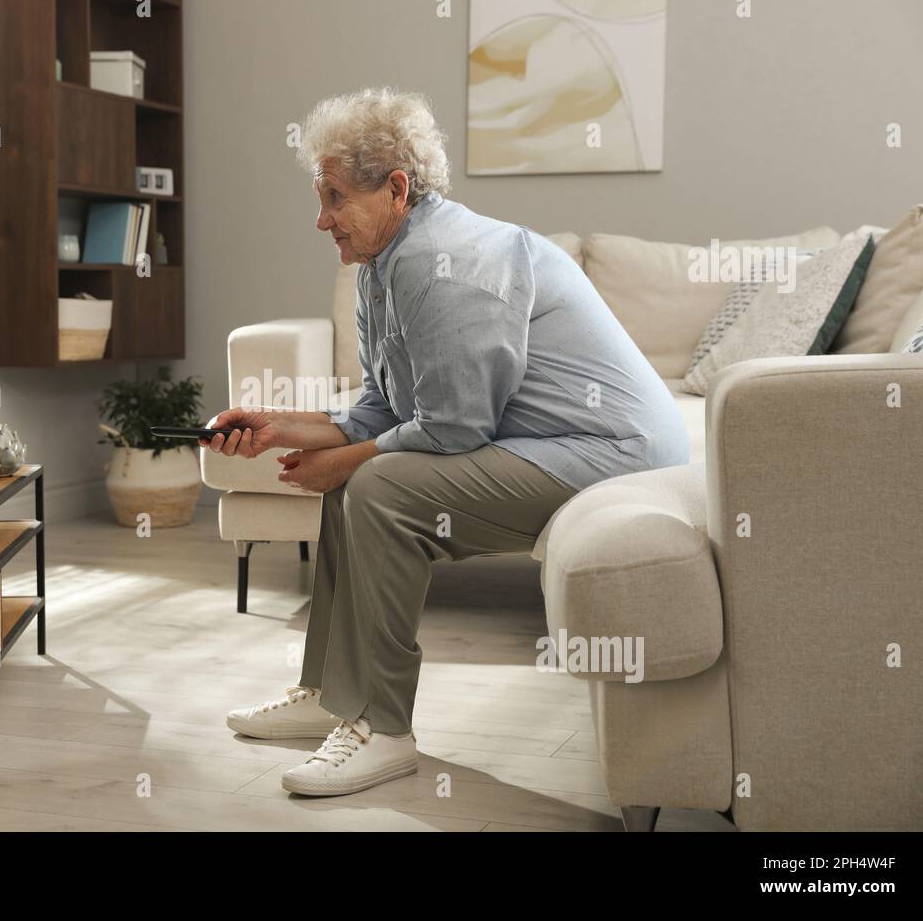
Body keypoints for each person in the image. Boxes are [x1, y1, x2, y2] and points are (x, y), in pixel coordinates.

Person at [202, 87, 689, 797]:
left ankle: (384, 727)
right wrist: (278, 422)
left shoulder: (445, 263)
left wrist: (341, 461)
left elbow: (456, 427)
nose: (321, 219)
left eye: (334, 197)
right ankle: (329, 692)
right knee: (358, 479)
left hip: (615, 455)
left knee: (376, 487)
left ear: (396, 188)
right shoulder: (379, 266)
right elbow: (381, 407)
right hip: (558, 443)